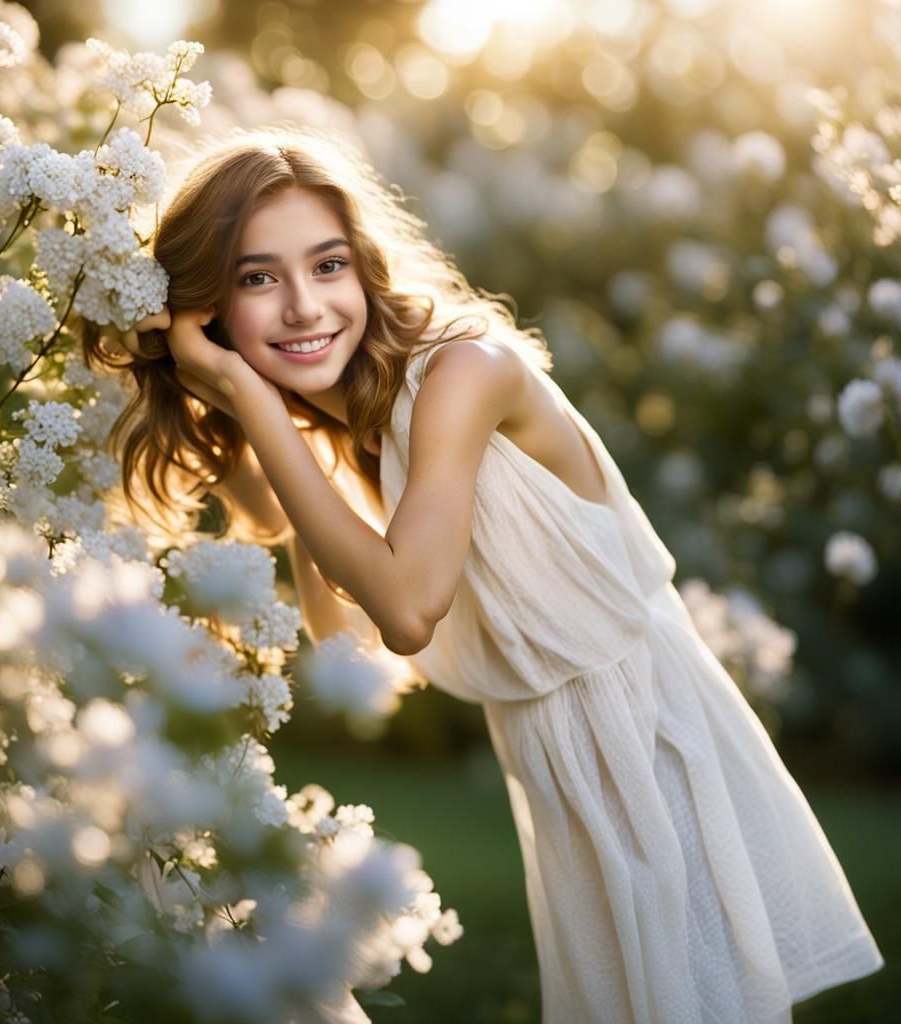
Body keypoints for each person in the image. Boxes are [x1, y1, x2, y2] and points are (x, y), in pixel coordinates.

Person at [86, 124, 885, 1023]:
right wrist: (263, 416)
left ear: (364, 268)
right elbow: (344, 642)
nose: (306, 306)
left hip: (646, 736)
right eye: (257, 278)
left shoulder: (464, 373)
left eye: (328, 264)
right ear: (211, 314)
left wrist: (250, 401)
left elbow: (409, 611)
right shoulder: (352, 429)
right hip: (558, 762)